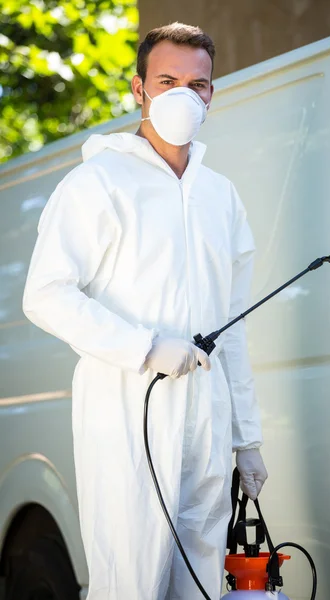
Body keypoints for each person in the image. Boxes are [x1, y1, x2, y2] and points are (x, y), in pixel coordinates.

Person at [23, 22, 268, 600]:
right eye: (167, 80)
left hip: (205, 417)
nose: (184, 95)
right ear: (139, 89)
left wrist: (246, 437)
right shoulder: (98, 183)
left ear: (213, 94)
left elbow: (232, 326)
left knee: (203, 578)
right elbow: (46, 294)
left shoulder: (219, 195)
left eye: (197, 84)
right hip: (127, 412)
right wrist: (145, 347)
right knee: (130, 580)